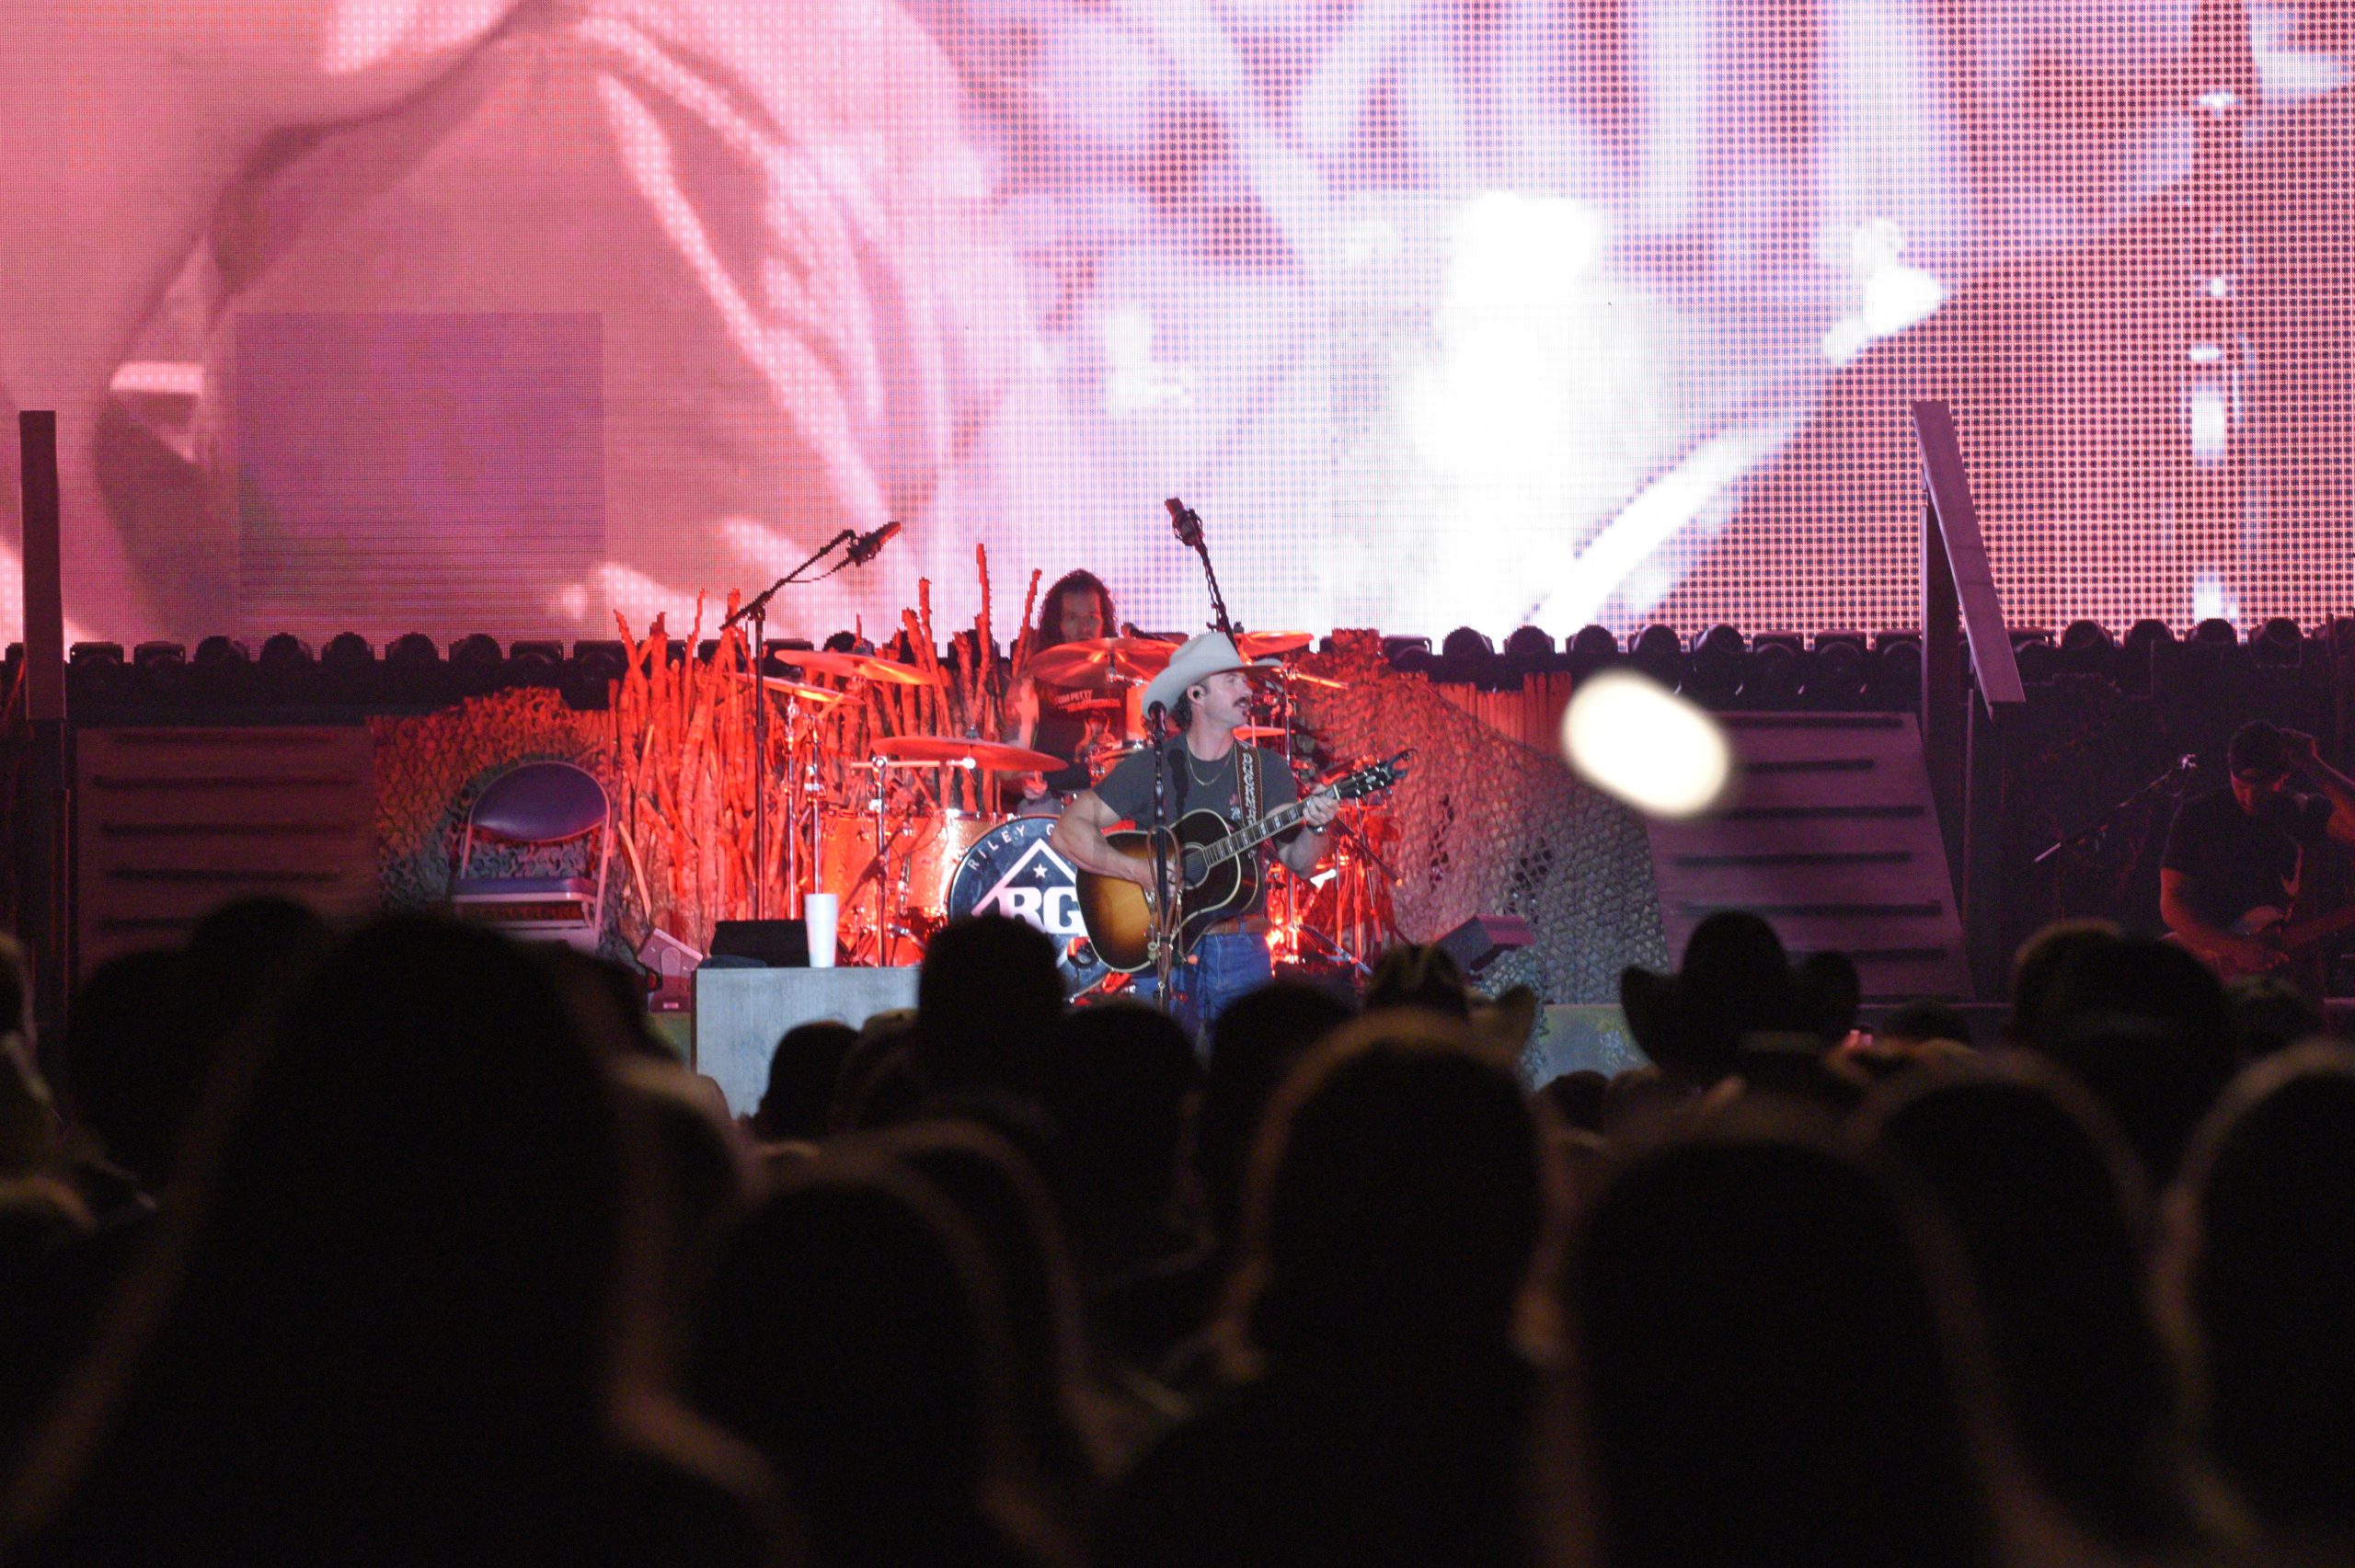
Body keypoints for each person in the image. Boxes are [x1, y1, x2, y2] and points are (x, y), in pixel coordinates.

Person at [1051, 632, 1338, 1041]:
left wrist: (1319, 825)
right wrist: (1136, 870)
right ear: (1197, 694)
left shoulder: (1265, 769)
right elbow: (1067, 831)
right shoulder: (1152, 764)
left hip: (1242, 950)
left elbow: (1299, 861)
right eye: (1232, 681)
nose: (1247, 689)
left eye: (1245, 680)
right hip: (1163, 949)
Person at [2159, 722, 2355, 979]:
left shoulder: (2300, 811)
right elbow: (2173, 902)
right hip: (2206, 959)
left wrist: (2312, 763)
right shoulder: (2197, 815)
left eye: (2262, 787)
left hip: (2274, 970)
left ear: (2283, 776)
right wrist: (2234, 948)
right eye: (2240, 785)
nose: (2250, 798)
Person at [1006, 570, 1124, 809]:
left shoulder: (1126, 679)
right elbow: (1008, 770)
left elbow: (1142, 753)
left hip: (1112, 804)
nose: (1084, 627)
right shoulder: (1031, 683)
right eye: (1072, 617)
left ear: (1104, 622)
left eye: (1091, 617)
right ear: (1057, 624)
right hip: (1054, 803)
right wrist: (1026, 781)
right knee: (1035, 809)